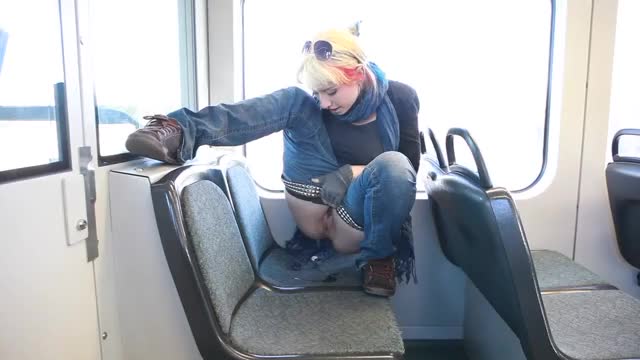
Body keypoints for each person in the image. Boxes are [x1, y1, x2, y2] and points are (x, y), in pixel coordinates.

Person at [125, 27, 421, 297]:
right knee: (294, 100)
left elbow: (406, 171)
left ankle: (378, 258)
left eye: (331, 91)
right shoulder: (315, 108)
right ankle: (180, 130)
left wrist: (350, 173)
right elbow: (310, 105)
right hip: (313, 196)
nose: (325, 104)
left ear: (358, 74)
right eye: (318, 93)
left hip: (355, 215)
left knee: (393, 164)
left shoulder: (400, 98)